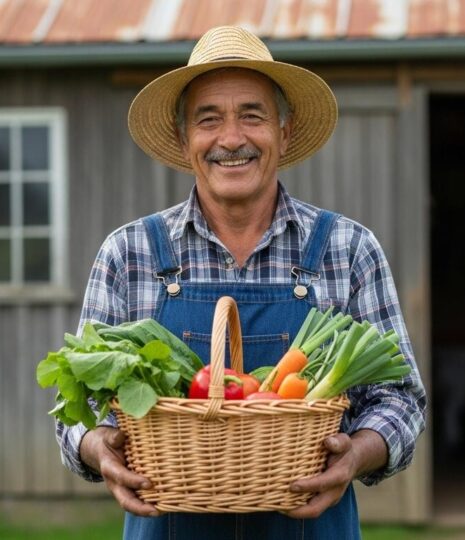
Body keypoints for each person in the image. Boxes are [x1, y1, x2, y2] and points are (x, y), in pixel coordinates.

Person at [56, 25, 426, 540]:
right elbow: (80, 406)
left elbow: (401, 399)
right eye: (209, 120)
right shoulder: (129, 254)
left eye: (252, 116)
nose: (231, 139)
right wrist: (98, 447)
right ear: (186, 140)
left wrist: (356, 454)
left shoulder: (348, 249)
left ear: (284, 132)